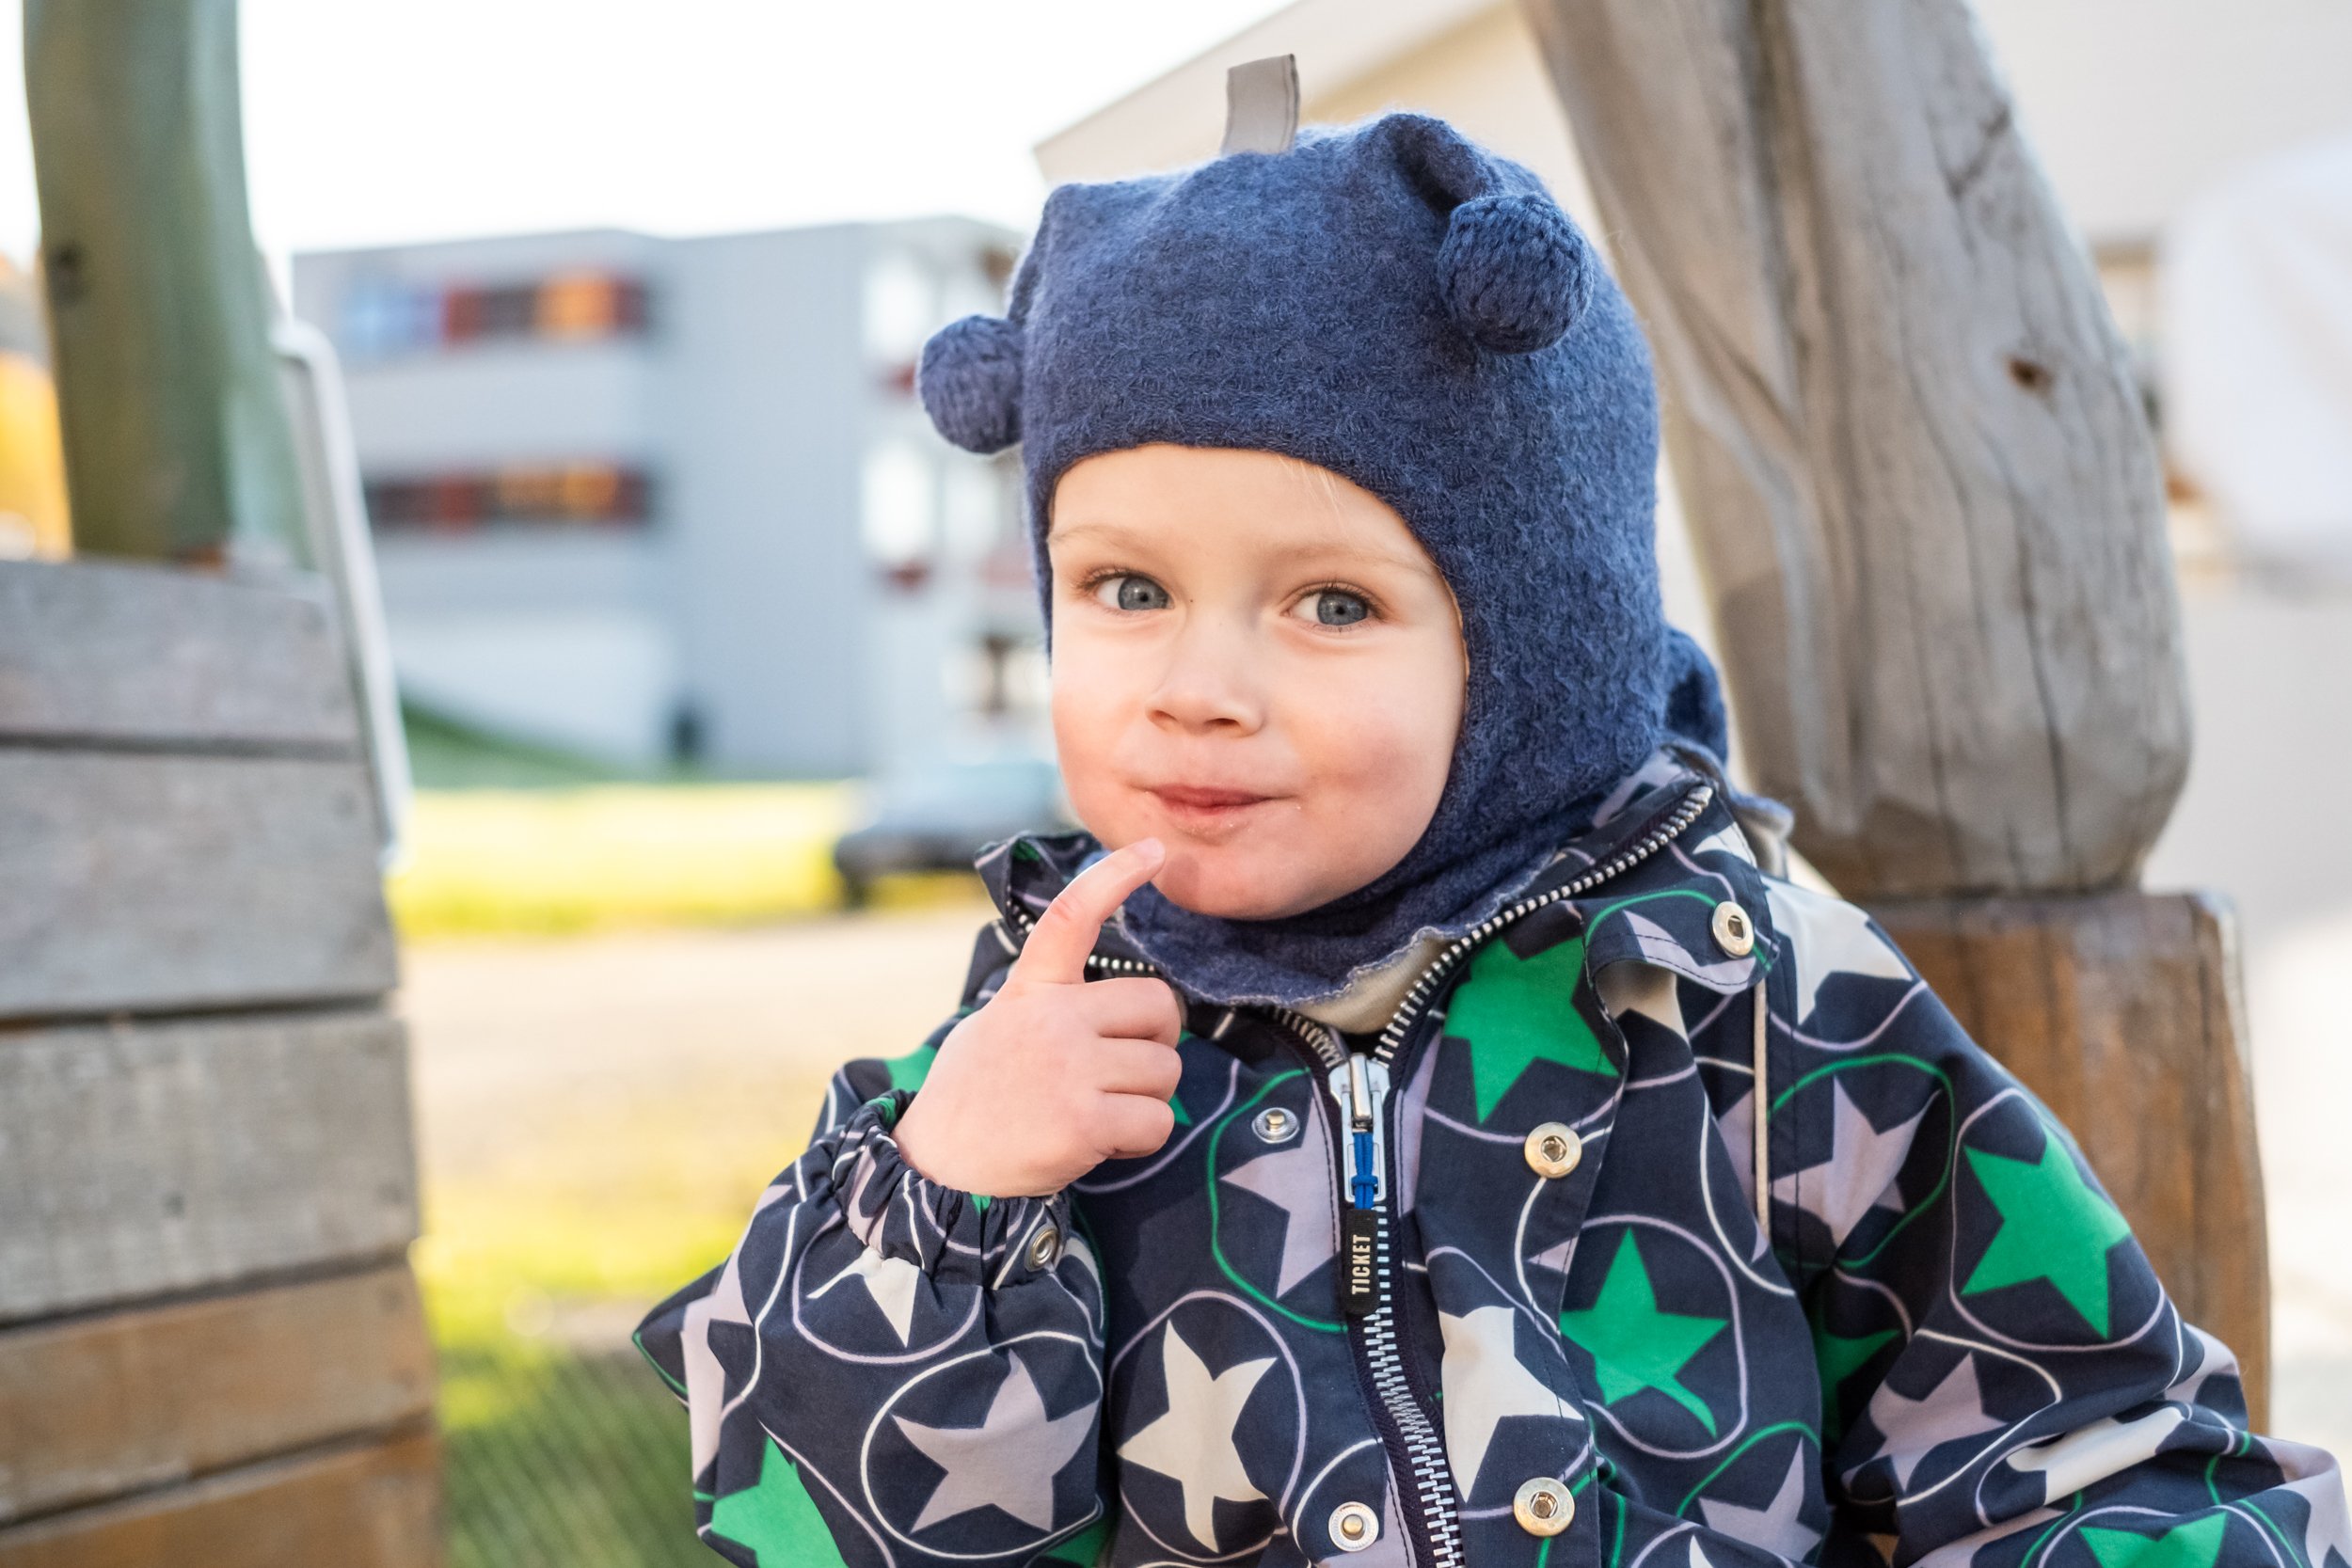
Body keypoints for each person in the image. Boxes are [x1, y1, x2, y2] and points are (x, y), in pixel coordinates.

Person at [636, 113, 2347, 1568]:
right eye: (1126, 587)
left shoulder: (1747, 997)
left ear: (1536, 637)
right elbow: (833, 1526)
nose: (1195, 689)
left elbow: (2083, 1434)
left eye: (1329, 602)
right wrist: (939, 1208)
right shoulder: (1049, 1049)